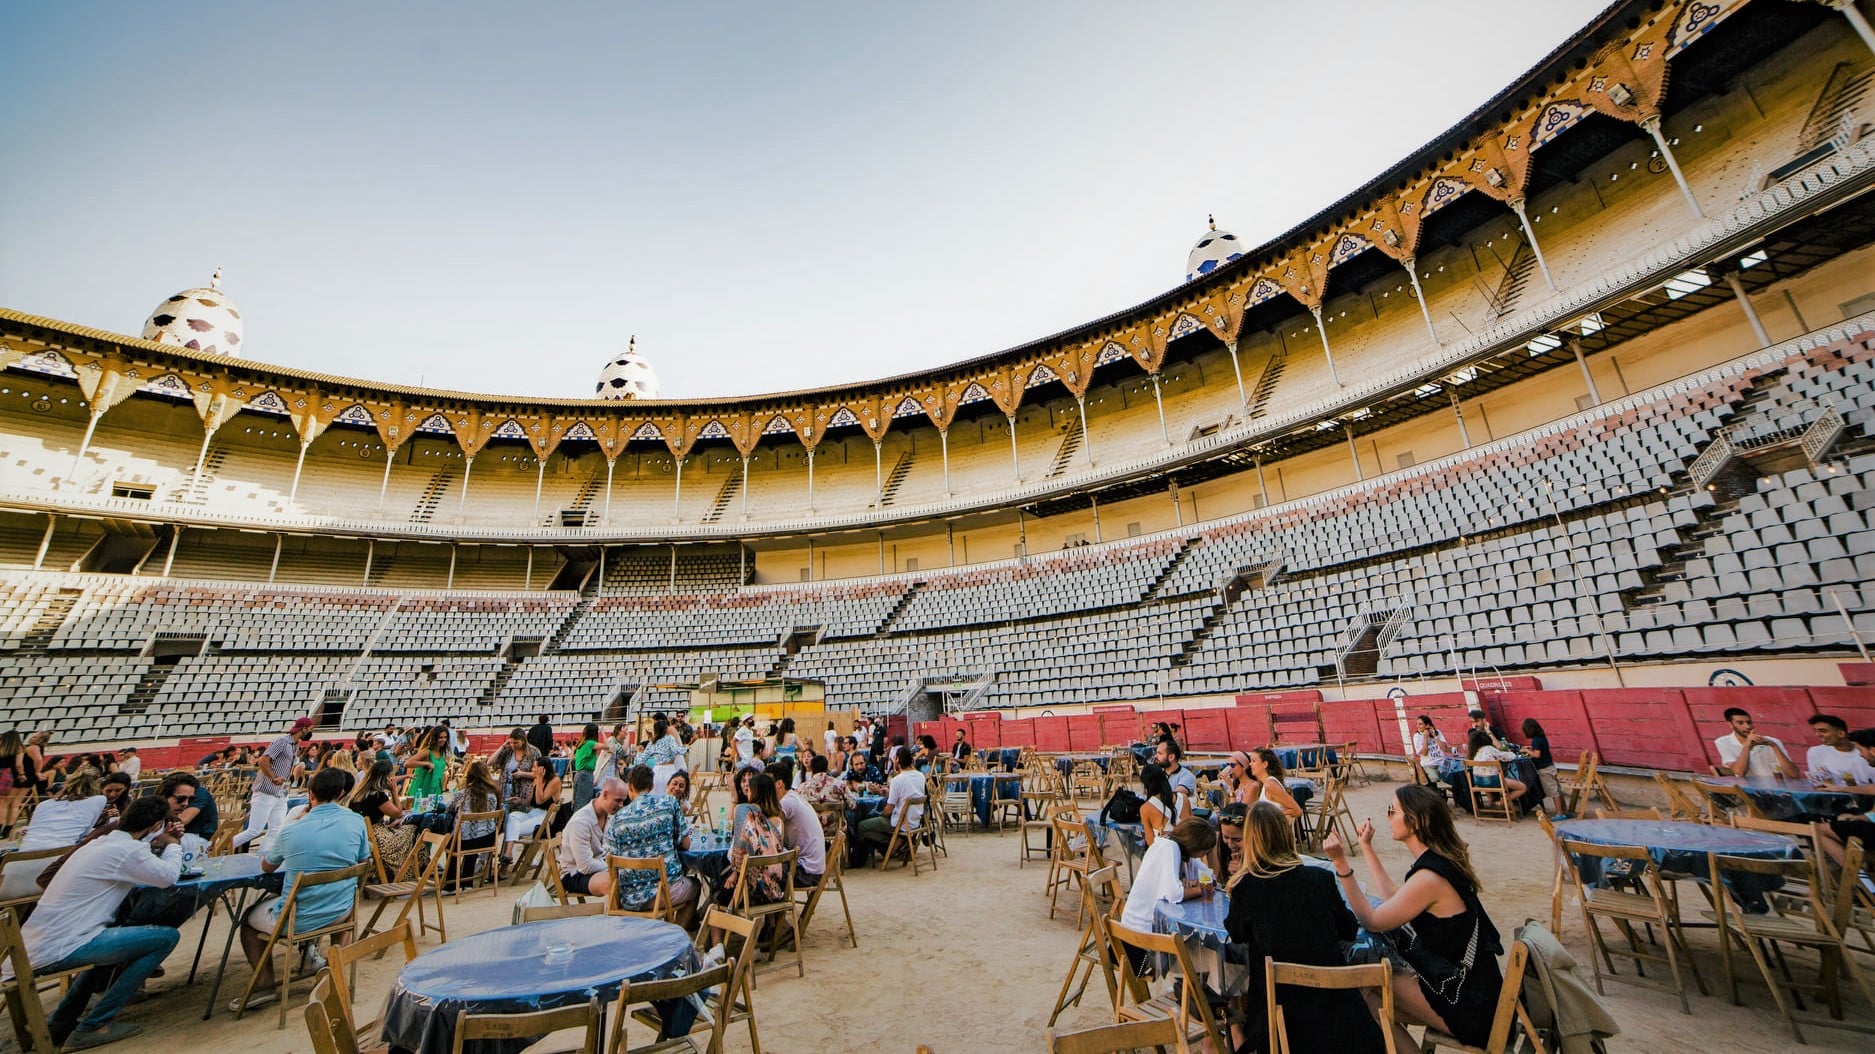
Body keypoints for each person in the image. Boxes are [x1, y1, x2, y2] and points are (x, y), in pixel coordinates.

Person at [1323, 785, 1505, 1051]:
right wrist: (1367, 848)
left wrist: (1341, 865)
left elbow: (1373, 920)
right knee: (1371, 999)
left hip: (1468, 1003)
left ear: (1415, 821)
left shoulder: (1429, 878)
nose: (1387, 817)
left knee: (1361, 989)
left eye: (1392, 811)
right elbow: (1397, 902)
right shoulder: (1440, 862)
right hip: (1476, 989)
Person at [4, 795, 181, 1050]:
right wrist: (173, 844)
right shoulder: (127, 849)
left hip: (35, 947)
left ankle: (62, 1021)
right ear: (155, 826)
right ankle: (96, 1023)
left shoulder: (100, 843)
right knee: (166, 938)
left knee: (109, 946)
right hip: (61, 947)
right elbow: (167, 877)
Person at [1227, 802, 1385, 1054]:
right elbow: (1348, 929)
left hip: (1278, 1022)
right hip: (1339, 1017)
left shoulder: (1246, 887)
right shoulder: (1319, 879)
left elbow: (1235, 933)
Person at [234, 768, 370, 1011]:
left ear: (310, 794)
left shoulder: (291, 830)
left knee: (247, 922)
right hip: (341, 909)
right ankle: (334, 970)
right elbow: (362, 860)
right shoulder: (356, 821)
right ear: (341, 793)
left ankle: (265, 982)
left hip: (298, 919)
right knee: (341, 901)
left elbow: (267, 866)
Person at [1116, 818, 1216, 977]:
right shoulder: (1170, 848)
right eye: (1205, 852)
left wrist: (1202, 883)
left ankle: (1188, 991)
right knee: (1210, 957)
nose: (1204, 856)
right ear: (1196, 846)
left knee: (1200, 949)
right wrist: (1200, 889)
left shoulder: (1179, 851)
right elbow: (1173, 894)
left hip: (1144, 932)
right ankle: (1192, 993)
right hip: (1141, 943)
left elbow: (1209, 876)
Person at [607, 765, 700, 925]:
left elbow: (611, 861)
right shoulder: (669, 803)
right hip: (663, 894)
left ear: (630, 787)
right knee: (696, 885)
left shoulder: (616, 819)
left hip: (629, 898)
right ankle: (676, 933)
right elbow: (685, 844)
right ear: (651, 786)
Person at [233, 716, 315, 852]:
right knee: (254, 830)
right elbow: (263, 761)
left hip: (280, 793)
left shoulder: (295, 745)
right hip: (266, 791)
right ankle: (219, 847)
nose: (311, 733)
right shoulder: (281, 742)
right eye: (311, 729)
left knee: (275, 830)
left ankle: (262, 858)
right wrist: (273, 777)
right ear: (304, 728)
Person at [719, 771, 786, 908]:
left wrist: (735, 873)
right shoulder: (779, 822)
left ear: (755, 793)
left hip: (751, 888)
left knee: (719, 889)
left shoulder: (748, 816)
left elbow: (740, 848)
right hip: (774, 887)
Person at [558, 776, 628, 899]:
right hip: (574, 874)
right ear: (604, 794)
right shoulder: (580, 822)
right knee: (616, 882)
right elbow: (586, 867)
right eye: (618, 801)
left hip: (600, 865)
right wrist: (615, 866)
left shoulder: (610, 816)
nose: (621, 805)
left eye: (623, 801)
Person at [345, 759, 414, 874]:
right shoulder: (377, 795)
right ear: (385, 778)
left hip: (365, 834)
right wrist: (394, 791)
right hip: (378, 837)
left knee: (401, 828)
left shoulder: (359, 793)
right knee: (413, 830)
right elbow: (398, 813)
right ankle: (408, 870)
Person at [446, 761, 503, 888]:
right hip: (488, 839)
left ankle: (450, 883)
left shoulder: (463, 793)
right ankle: (467, 881)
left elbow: (449, 808)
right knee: (474, 834)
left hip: (464, 841)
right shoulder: (493, 793)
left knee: (453, 841)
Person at [857, 747, 924, 853]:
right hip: (915, 821)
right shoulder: (920, 776)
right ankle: (899, 842)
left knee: (861, 826)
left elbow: (888, 810)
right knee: (875, 822)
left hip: (900, 823)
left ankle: (894, 843)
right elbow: (908, 792)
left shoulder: (897, 780)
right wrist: (888, 792)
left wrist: (879, 814)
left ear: (896, 759)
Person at [771, 761, 825, 889]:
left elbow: (770, 833)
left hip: (805, 872)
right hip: (813, 868)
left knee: (759, 869)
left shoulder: (786, 803)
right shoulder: (794, 797)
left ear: (779, 784)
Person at [502, 755, 561, 865]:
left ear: (542, 769)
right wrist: (519, 801)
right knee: (512, 816)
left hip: (545, 817)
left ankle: (510, 854)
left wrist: (539, 779)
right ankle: (509, 853)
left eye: (535, 767)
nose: (532, 770)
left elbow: (539, 801)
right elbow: (530, 802)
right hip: (532, 813)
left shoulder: (554, 780)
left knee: (512, 829)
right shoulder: (536, 779)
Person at [1715, 706, 1798, 779]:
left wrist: (1774, 746)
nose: (1747, 727)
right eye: (1740, 723)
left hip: (1783, 790)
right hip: (1754, 793)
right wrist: (1746, 746)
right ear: (1730, 724)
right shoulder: (1723, 742)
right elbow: (1739, 772)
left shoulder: (1773, 741)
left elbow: (1793, 774)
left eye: (1749, 722)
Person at [1806, 713, 1875, 784]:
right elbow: (1818, 783)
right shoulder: (1815, 752)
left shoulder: (1866, 749)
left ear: (1841, 733)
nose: (1817, 734)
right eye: (1815, 731)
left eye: (1823, 731)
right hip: (1837, 794)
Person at [1465, 730, 1528, 807]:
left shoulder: (1474, 753)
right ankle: (1502, 802)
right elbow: (1506, 756)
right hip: (1493, 781)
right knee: (1522, 787)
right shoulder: (1489, 748)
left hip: (1478, 782)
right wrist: (1513, 753)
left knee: (1487, 781)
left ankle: (1493, 804)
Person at [1520, 719, 1565, 816]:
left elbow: (1537, 755)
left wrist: (1527, 751)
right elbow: (1539, 750)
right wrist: (1530, 748)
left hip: (1544, 769)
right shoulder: (1541, 738)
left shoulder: (1536, 740)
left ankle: (1560, 813)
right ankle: (1564, 811)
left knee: (1553, 791)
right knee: (1557, 790)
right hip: (1550, 766)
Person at [1246, 747, 1303, 820]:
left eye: (1254, 761)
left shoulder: (1270, 785)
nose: (1250, 764)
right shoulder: (1265, 784)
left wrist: (1271, 817)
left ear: (1265, 764)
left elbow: (1297, 810)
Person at [1139, 764, 1182, 846]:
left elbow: (1150, 841)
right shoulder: (1183, 798)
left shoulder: (1146, 809)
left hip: (1168, 852)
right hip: (1190, 852)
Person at [404, 727, 447, 802]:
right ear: (434, 738)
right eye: (440, 737)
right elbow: (407, 763)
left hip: (435, 790)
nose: (443, 739)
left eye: (445, 737)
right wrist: (426, 763)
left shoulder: (441, 753)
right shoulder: (427, 751)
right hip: (423, 789)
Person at [0, 729, 29, 836]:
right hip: (7, 774)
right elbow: (19, 764)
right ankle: (3, 830)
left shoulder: (1, 747)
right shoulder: (18, 748)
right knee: (3, 804)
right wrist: (21, 774)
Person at [1157, 737, 1196, 813]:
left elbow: (1176, 797)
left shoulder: (1186, 775)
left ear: (1171, 757)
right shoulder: (1158, 774)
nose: (1156, 756)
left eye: (1160, 753)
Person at [1412, 715, 1455, 783]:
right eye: (1417, 724)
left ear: (1427, 725)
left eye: (1420, 724)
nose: (1418, 726)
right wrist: (1425, 738)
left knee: (1455, 775)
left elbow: (1444, 748)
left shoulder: (1437, 732)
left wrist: (1435, 736)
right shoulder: (1417, 736)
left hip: (1442, 763)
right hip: (1429, 765)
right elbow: (1424, 753)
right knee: (1435, 780)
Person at [571, 722, 601, 811]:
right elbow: (608, 746)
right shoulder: (590, 743)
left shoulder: (581, 743)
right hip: (586, 775)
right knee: (584, 802)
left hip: (579, 774)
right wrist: (603, 733)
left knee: (577, 801)